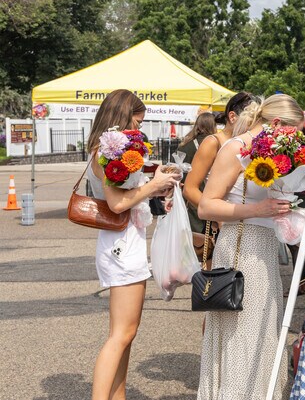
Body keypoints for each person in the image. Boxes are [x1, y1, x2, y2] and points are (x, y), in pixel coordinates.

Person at [196, 93, 305, 399]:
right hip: (240, 248)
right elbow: (206, 207)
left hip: (264, 250)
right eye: (296, 131)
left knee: (263, 334)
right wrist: (256, 210)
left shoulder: (275, 154)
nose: (299, 139)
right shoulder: (234, 149)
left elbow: (284, 217)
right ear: (276, 123)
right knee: (243, 337)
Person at [86, 89, 180, 400]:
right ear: (121, 118)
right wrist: (152, 185)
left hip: (125, 243)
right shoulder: (107, 152)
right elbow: (116, 203)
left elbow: (127, 196)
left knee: (127, 334)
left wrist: (153, 185)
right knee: (121, 334)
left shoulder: (109, 151)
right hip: (120, 246)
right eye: (135, 123)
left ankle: (118, 395)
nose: (137, 130)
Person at [183, 93, 258, 254]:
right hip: (216, 227)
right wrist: (218, 216)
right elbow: (190, 188)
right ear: (232, 116)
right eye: (252, 121)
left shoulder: (250, 143)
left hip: (246, 225)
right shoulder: (213, 142)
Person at [176, 113, 216, 231]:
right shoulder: (216, 144)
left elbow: (177, 169)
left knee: (192, 234)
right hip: (210, 193)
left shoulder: (185, 144)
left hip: (189, 195)